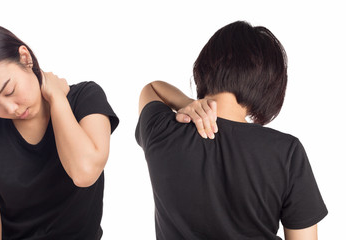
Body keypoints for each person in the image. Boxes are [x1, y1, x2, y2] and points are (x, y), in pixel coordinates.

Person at [136, 21, 327, 239]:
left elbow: (151, 89)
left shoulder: (163, 132)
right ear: (267, 83)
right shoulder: (286, 151)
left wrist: (187, 103)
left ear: (204, 68)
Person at [0, 22, 119, 239]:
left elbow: (84, 172)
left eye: (10, 90)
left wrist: (57, 98)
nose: (11, 109)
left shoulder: (85, 99)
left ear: (25, 58)